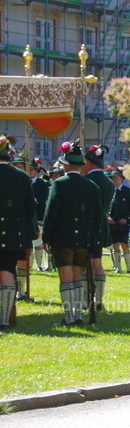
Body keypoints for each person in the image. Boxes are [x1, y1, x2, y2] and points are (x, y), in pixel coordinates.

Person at [42, 141, 103, 327]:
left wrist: (46, 236)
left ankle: (69, 316)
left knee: (66, 276)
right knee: (77, 276)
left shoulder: (59, 184)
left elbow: (51, 212)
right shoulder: (92, 186)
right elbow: (98, 215)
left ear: (66, 165)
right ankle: (77, 315)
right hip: (84, 238)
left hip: (63, 237)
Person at [0, 136, 37, 331]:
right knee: (7, 271)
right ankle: (5, 319)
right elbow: (30, 208)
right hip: (13, 234)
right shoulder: (22, 176)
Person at [82, 144, 115, 310]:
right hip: (102, 224)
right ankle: (99, 300)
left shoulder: (86, 181)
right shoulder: (109, 183)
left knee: (85, 264)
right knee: (97, 263)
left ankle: (86, 299)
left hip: (86, 226)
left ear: (90, 162)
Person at [108, 168, 130, 274]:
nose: (114, 180)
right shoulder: (110, 192)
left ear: (121, 179)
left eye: (116, 178)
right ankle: (118, 267)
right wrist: (108, 218)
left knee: (124, 244)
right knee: (115, 244)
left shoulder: (128, 191)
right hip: (112, 222)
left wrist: (127, 219)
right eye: (113, 178)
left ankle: (128, 268)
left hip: (124, 222)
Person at [28, 159, 50, 272]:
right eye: (28, 170)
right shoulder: (24, 182)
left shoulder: (44, 183)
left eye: (31, 170)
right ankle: (29, 264)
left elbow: (44, 198)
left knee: (38, 244)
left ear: (36, 171)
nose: (29, 172)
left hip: (39, 216)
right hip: (28, 216)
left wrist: (33, 200)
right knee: (29, 244)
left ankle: (40, 265)